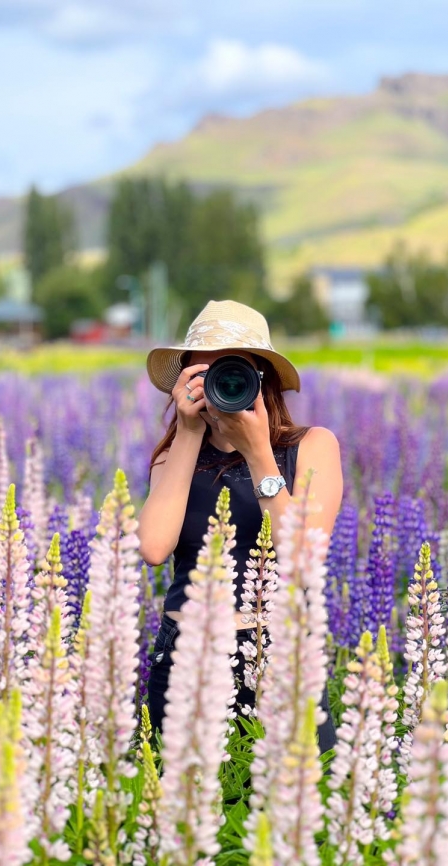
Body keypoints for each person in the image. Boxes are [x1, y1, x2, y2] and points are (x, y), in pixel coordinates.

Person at [138, 299, 343, 753]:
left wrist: (258, 453)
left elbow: (306, 557)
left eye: (234, 370)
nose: (221, 383)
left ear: (261, 378)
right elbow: (153, 547)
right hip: (185, 655)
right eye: (204, 372)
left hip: (281, 658)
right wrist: (189, 434)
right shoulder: (174, 457)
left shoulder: (312, 446)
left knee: (296, 816)